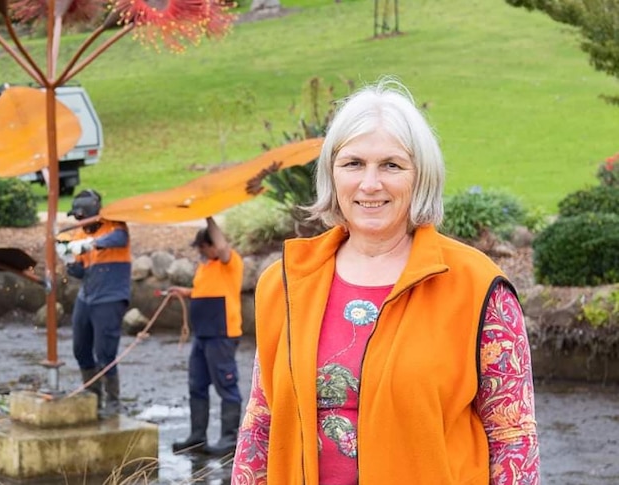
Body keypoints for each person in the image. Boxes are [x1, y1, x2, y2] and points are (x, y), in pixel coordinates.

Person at [231, 78, 540, 484]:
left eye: (391, 165)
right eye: (353, 163)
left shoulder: (479, 288)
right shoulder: (286, 284)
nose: (370, 184)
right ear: (332, 174)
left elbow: (512, 437)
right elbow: (260, 423)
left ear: (420, 176)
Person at [168, 217, 244, 456]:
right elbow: (206, 290)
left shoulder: (229, 262)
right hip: (202, 335)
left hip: (222, 334)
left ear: (211, 246)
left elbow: (222, 246)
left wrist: (208, 215)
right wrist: (186, 292)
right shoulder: (205, 266)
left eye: (202, 247)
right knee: (196, 386)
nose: (200, 252)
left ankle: (229, 440)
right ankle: (197, 437)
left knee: (226, 385)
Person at [64, 189, 132, 416]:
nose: (81, 223)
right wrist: (68, 261)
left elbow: (119, 240)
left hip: (111, 297)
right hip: (88, 296)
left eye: (83, 218)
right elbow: (81, 271)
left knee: (105, 352)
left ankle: (113, 400)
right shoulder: (78, 235)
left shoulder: (114, 226)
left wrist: (92, 244)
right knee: (80, 348)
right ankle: (93, 396)